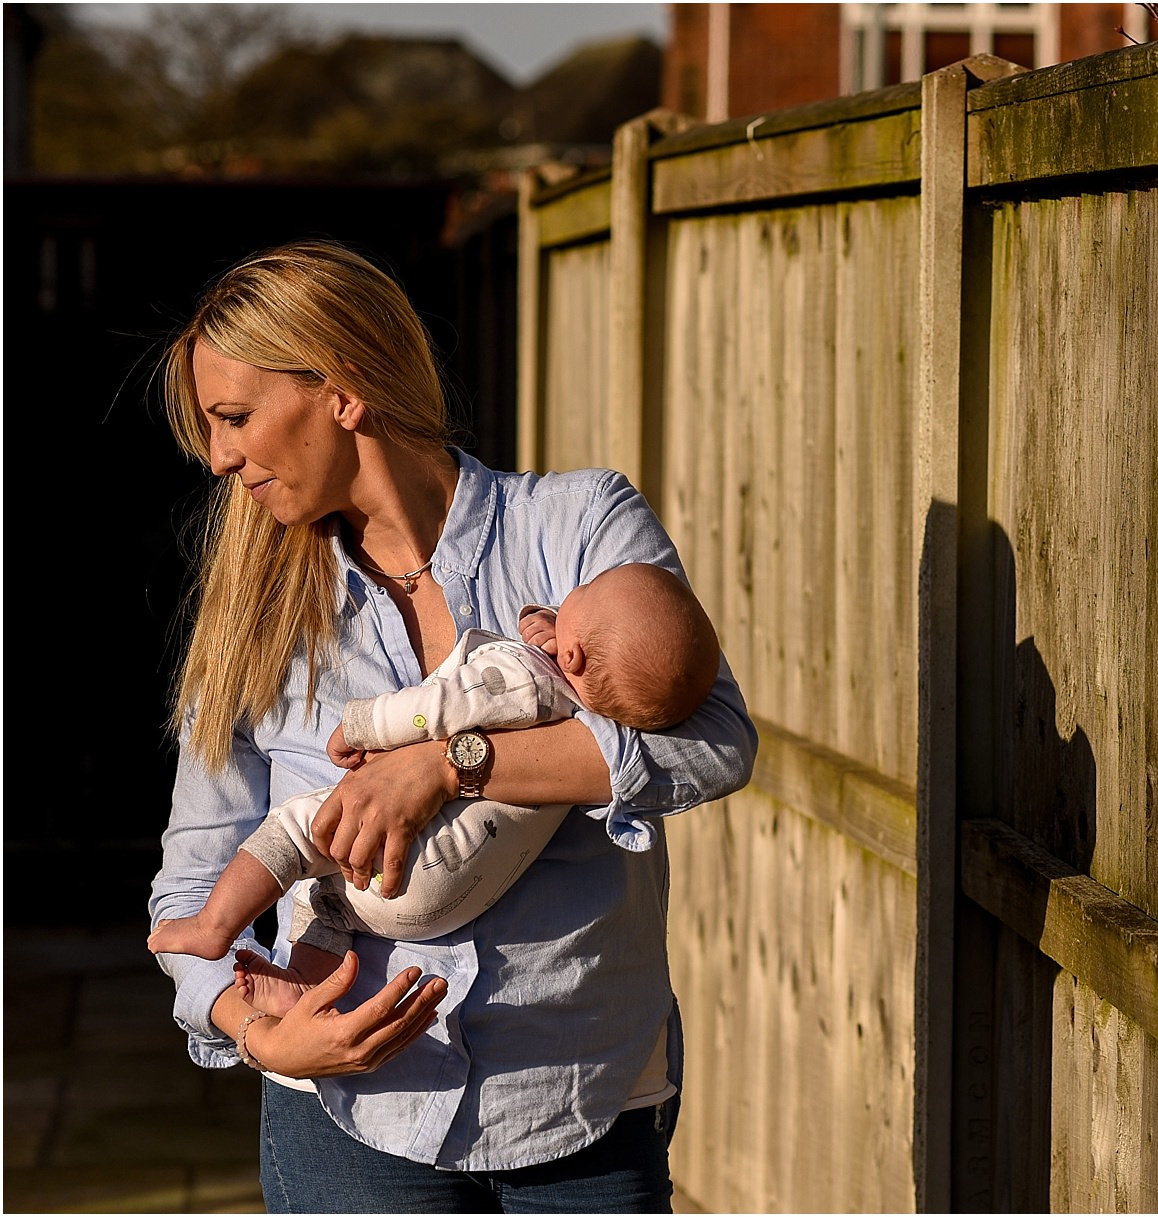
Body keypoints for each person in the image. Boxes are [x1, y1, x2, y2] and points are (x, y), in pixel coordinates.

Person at [148, 239, 757, 1214]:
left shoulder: (573, 524)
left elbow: (711, 742)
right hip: (343, 1114)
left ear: (342, 388)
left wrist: (452, 763)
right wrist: (255, 1028)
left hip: (579, 1095)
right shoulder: (252, 614)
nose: (220, 456)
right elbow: (190, 878)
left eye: (235, 417)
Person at [145, 561, 722, 973]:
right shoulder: (590, 719)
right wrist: (560, 629)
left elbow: (439, 709)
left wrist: (365, 725)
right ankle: (306, 985)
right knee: (326, 899)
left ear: (568, 656)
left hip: (420, 862)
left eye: (586, 589)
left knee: (300, 830)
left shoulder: (523, 677)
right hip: (454, 893)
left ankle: (216, 922)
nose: (576, 587)